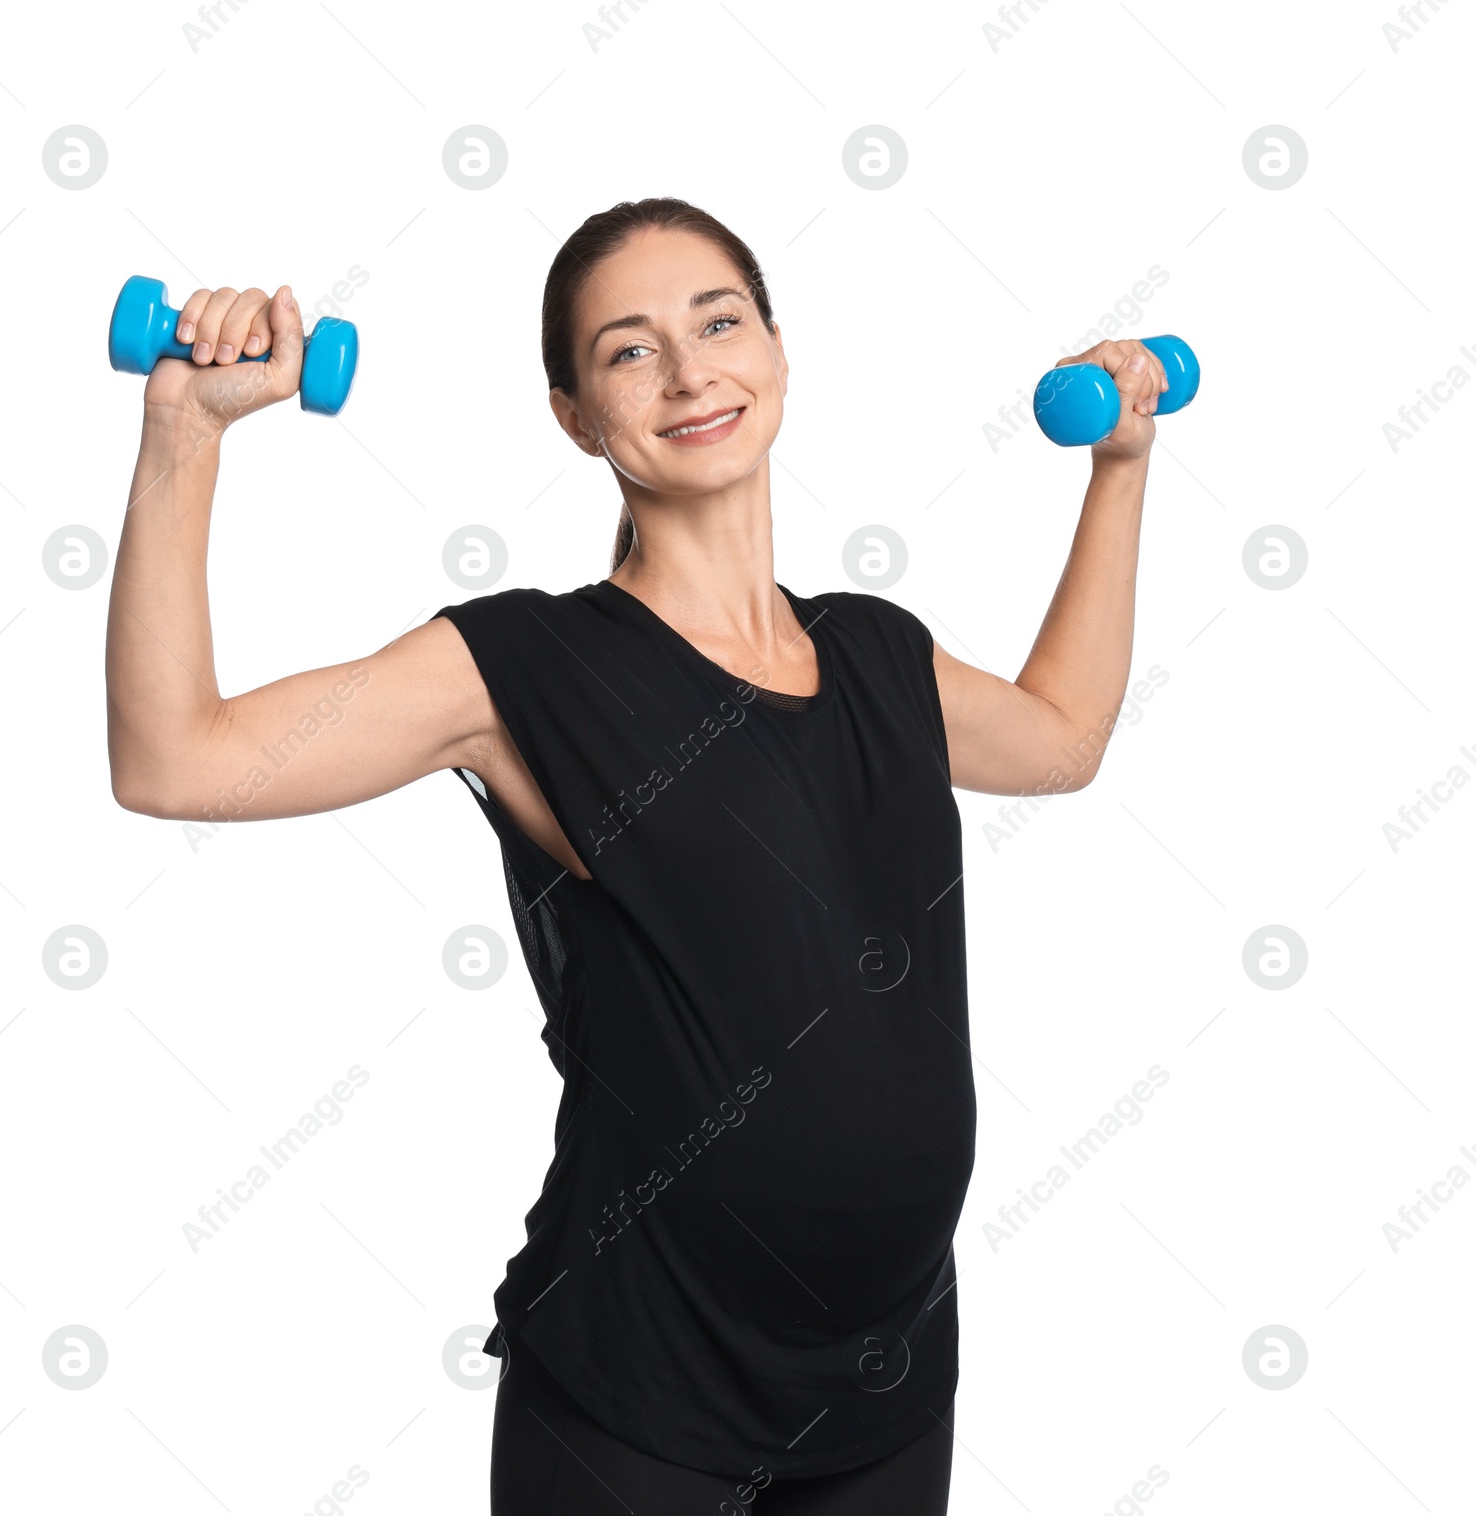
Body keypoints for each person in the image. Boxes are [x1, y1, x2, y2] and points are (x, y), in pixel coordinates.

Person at [106, 197, 1165, 1515]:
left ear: (778, 351)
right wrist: (183, 437)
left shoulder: (879, 654)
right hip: (641, 1409)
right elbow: (174, 759)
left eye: (719, 323)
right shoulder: (522, 671)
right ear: (572, 414)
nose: (688, 371)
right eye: (628, 349)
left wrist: (1121, 471)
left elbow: (1063, 738)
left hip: (885, 1386)